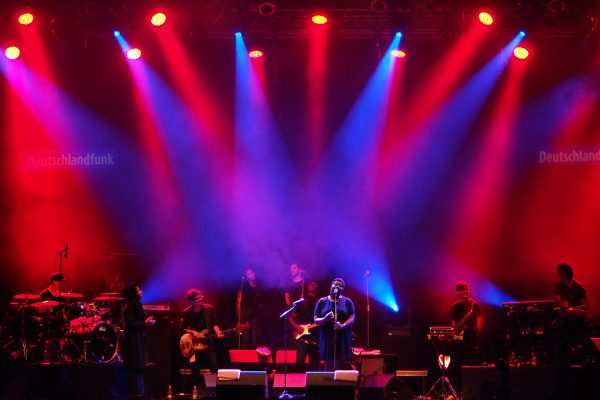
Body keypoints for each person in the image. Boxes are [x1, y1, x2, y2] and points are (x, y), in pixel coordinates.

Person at [181, 288, 223, 394]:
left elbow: (214, 323)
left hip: (207, 342)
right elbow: (183, 328)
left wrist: (218, 332)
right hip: (194, 344)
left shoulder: (209, 309)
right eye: (197, 298)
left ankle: (214, 390)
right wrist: (193, 332)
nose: (200, 299)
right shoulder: (186, 313)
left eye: (201, 297)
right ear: (191, 301)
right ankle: (198, 391)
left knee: (213, 366)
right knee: (195, 368)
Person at [314, 278, 355, 371]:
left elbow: (352, 317)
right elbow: (315, 319)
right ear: (331, 286)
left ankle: (339, 384)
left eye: (340, 285)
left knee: (340, 363)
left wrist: (343, 325)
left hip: (342, 337)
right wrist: (325, 318)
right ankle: (328, 384)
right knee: (328, 363)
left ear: (343, 289)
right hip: (327, 337)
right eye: (336, 284)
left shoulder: (347, 301)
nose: (338, 286)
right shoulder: (322, 301)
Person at [122, 284, 155, 399]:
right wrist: (145, 323)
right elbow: (130, 324)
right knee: (135, 368)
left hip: (137, 338)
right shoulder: (130, 305)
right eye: (138, 290)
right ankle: (136, 394)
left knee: (139, 368)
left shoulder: (136, 305)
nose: (141, 291)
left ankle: (140, 393)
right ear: (133, 293)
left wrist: (146, 322)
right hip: (132, 341)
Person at [288, 281, 321, 371]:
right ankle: (299, 382)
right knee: (299, 362)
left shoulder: (321, 306)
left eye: (312, 292)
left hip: (315, 339)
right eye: (309, 292)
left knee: (314, 365)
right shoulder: (302, 304)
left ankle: (312, 384)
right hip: (302, 338)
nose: (310, 294)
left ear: (317, 292)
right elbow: (290, 317)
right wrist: (296, 327)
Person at [236, 267, 263, 349]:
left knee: (255, 335)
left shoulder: (258, 287)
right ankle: (243, 353)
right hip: (245, 311)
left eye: (252, 273)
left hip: (255, 312)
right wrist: (238, 315)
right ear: (247, 277)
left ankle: (254, 353)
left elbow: (260, 301)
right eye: (249, 274)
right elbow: (239, 300)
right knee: (245, 334)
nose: (251, 275)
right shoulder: (244, 286)